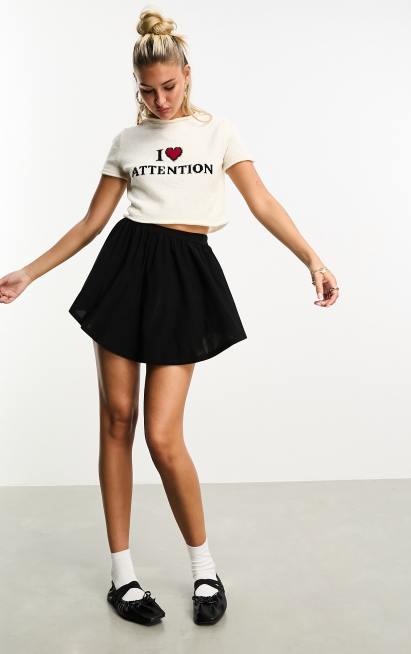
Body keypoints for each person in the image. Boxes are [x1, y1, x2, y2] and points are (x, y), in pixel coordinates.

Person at [0, 8, 340, 627]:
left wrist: (312, 258)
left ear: (186, 73)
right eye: (148, 90)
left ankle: (204, 567)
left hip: (185, 277)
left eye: (169, 86)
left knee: (162, 435)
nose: (160, 100)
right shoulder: (126, 142)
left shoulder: (218, 132)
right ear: (136, 86)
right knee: (117, 420)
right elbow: (91, 222)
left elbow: (261, 201)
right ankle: (122, 576)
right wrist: (29, 272)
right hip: (126, 270)